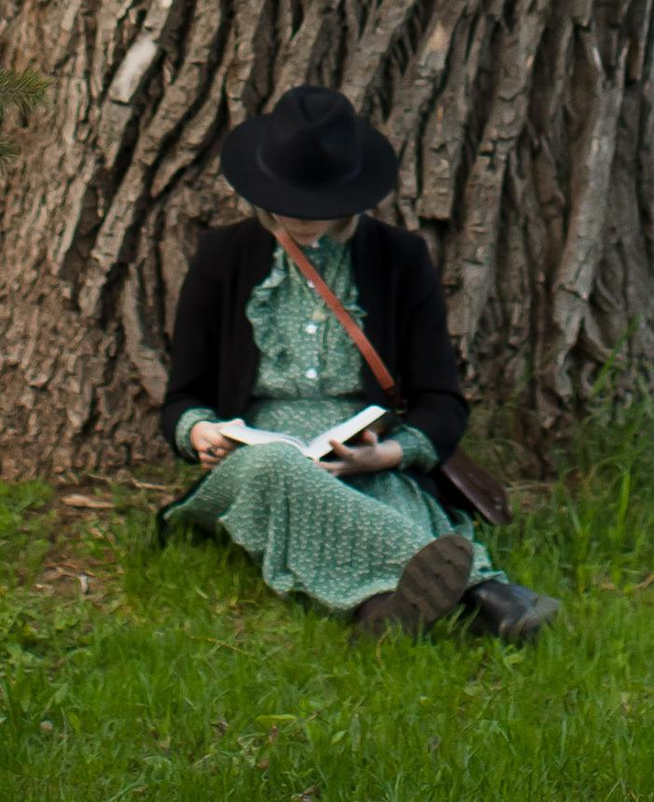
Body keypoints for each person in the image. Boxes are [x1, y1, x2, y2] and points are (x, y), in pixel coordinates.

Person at [158, 86, 558, 645]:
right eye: (290, 200)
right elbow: (182, 398)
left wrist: (386, 453)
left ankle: (383, 614)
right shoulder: (222, 257)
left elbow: (440, 400)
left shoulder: (399, 257)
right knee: (279, 466)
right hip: (256, 460)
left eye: (320, 203)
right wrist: (200, 432)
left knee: (389, 491)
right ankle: (487, 595)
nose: (304, 215)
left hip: (356, 446)